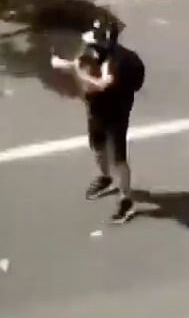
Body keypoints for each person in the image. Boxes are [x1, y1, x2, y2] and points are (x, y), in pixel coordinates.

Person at [52, 17, 145, 224]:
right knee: (98, 145)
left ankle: (126, 200)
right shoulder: (96, 52)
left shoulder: (118, 62)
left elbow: (101, 84)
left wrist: (73, 69)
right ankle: (105, 177)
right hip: (96, 108)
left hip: (116, 112)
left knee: (119, 157)